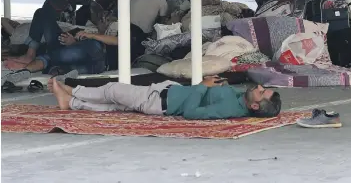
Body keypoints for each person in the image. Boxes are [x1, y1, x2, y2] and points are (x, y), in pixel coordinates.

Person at [49, 75, 282, 120]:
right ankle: (70, 102)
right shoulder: (239, 97)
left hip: (159, 102)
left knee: (113, 90)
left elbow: (191, 113)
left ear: (254, 105)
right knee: (114, 105)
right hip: (166, 92)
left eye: (262, 92)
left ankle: (74, 91)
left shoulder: (229, 109)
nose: (259, 86)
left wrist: (202, 86)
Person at [6, 0, 103, 67]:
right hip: (60, 34)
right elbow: (50, 26)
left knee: (88, 7)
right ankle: (30, 54)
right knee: (41, 12)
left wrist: (102, 14)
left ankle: (30, 54)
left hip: (72, 31)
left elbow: (92, 3)